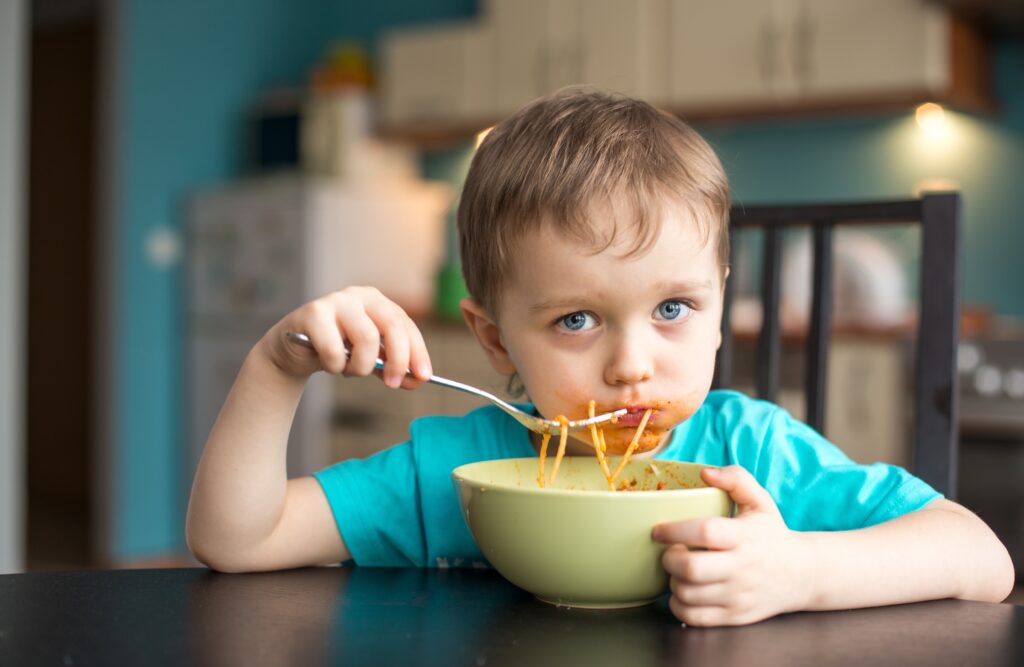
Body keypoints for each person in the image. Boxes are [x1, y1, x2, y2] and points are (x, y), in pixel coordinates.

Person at [186, 89, 1014, 626]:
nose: (632, 365)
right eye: (578, 318)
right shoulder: (461, 471)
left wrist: (803, 571)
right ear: (494, 339)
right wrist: (275, 366)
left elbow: (981, 555)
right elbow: (238, 537)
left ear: (721, 307)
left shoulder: (751, 456)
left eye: (673, 309)